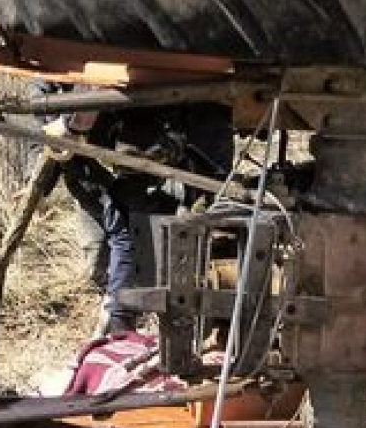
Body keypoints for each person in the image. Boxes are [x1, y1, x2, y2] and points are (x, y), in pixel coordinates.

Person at [47, 102, 233, 338]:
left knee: (129, 239)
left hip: (163, 163)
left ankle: (123, 320)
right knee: (108, 252)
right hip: (103, 175)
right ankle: (120, 319)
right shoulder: (82, 123)